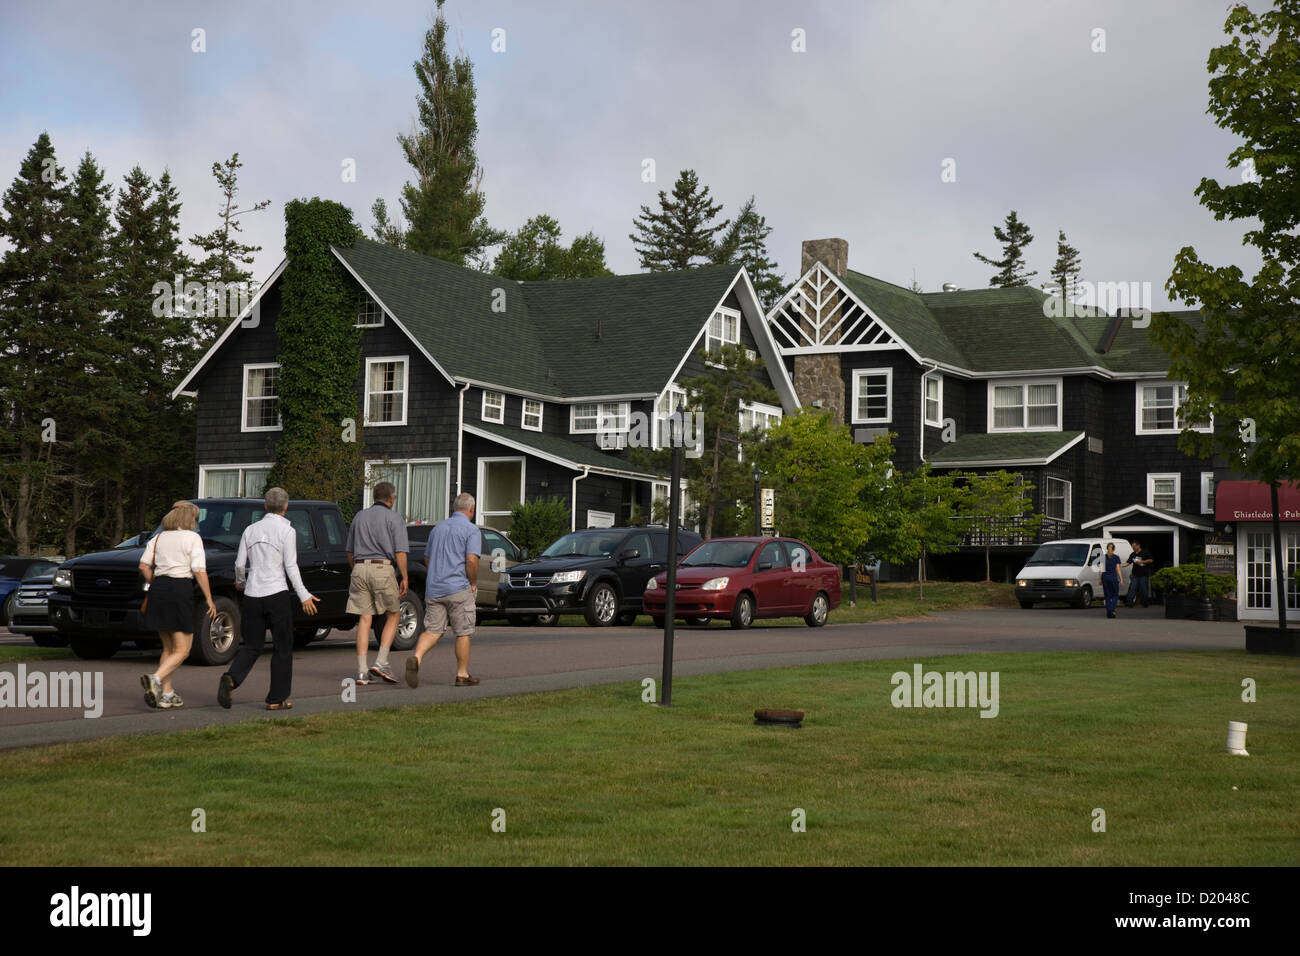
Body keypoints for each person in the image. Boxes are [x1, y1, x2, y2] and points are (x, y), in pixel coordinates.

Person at [218, 488, 319, 711]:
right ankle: (276, 698)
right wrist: (304, 595)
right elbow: (290, 566)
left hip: (252, 595)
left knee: (252, 645)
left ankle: (232, 677)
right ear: (286, 507)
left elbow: (239, 564)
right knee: (282, 647)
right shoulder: (287, 531)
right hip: (276, 594)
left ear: (265, 506)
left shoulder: (250, 529)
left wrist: (241, 582)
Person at [138, 501, 218, 709]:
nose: (196, 522)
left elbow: (144, 566)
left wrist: (156, 583)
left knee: (169, 648)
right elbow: (199, 570)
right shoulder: (192, 538)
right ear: (189, 518)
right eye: (195, 518)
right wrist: (209, 598)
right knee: (183, 650)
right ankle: (155, 678)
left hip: (158, 589)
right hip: (179, 589)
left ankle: (167, 693)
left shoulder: (158, 538)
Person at [406, 492, 481, 688]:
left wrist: (437, 574)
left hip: (434, 588)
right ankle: (462, 674)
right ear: (471, 509)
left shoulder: (437, 529)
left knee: (433, 630)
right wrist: (473, 582)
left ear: (454, 508)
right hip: (458, 587)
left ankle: (416, 657)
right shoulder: (471, 530)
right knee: (463, 631)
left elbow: (427, 558)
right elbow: (471, 559)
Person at [346, 481, 409, 685]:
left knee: (365, 618)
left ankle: (362, 671)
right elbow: (400, 551)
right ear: (391, 499)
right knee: (394, 613)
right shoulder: (394, 518)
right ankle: (381, 662)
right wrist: (404, 577)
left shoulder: (359, 516)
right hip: (382, 567)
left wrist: (356, 569)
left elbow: (349, 551)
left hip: (359, 567)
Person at [1123, 540, 1155, 608]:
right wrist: (1120, 565)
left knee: (1144, 589)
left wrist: (1141, 562)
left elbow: (1151, 560)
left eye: (1134, 546)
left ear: (1138, 546)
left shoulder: (1144, 553)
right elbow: (1128, 563)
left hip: (1143, 575)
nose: (1133, 548)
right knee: (1132, 588)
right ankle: (1129, 603)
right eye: (1132, 547)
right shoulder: (1133, 554)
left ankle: (1145, 603)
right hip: (1135, 575)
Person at [1101, 542, 1124, 619]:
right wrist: (1121, 579)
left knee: (1107, 595)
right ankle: (1111, 609)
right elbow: (1118, 569)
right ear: (1114, 549)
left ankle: (1109, 611)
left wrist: (1100, 579)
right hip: (1113, 578)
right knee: (1115, 595)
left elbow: (1101, 570)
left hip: (1105, 578)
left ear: (1107, 548)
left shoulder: (1103, 557)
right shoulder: (1116, 557)